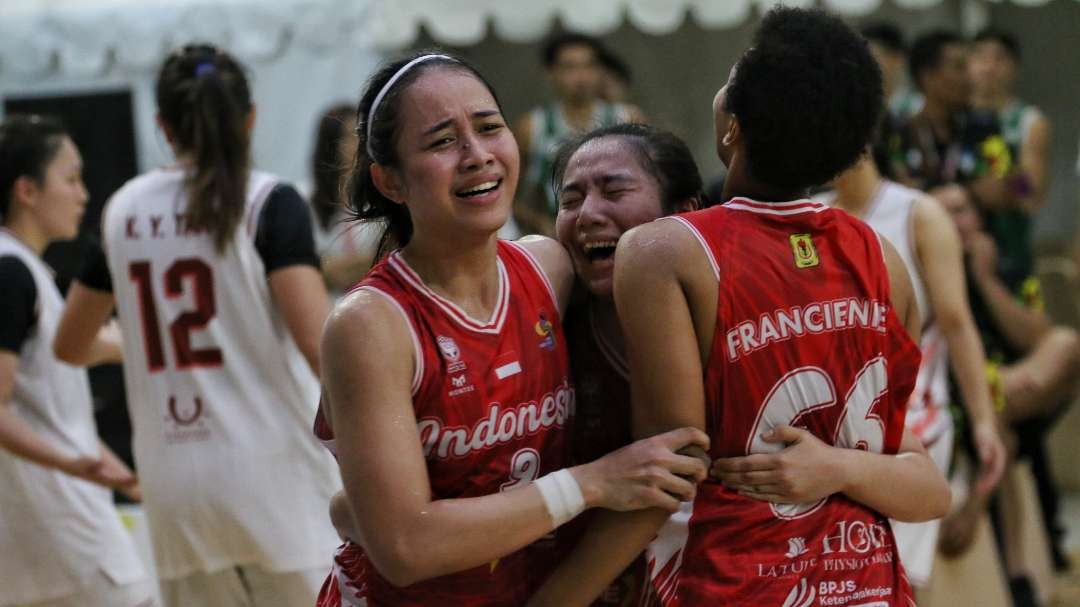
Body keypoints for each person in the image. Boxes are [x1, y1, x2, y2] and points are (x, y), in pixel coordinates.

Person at [529, 9, 951, 606]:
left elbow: (663, 475)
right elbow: (923, 482)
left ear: (732, 127)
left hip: (732, 583)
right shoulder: (882, 257)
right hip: (865, 586)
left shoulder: (662, 251)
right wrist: (839, 467)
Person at [315, 52, 708, 607]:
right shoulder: (369, 324)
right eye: (441, 141)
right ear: (389, 181)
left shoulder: (549, 267)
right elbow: (404, 547)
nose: (477, 156)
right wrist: (592, 483)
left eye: (488, 127)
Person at [52, 45, 341, 607]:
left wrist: (133, 346)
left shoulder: (123, 208)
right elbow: (321, 349)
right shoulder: (268, 200)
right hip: (277, 480)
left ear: (162, 127)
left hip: (174, 485)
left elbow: (71, 343)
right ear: (250, 117)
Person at [822, 153, 1006, 589]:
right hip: (833, 404)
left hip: (914, 404)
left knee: (890, 571)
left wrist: (983, 422)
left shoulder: (919, 213)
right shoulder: (813, 212)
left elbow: (958, 324)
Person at [0, 115, 153, 607]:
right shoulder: (10, 273)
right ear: (27, 190)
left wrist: (123, 477)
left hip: (42, 534)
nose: (83, 194)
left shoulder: (23, 270)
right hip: (64, 529)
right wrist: (75, 464)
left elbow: (41, 415)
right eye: (70, 179)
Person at [552, 122, 706, 606]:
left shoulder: (740, 318)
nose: (588, 214)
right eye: (570, 199)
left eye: (613, 190)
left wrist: (832, 466)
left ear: (685, 213)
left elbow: (919, 484)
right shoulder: (549, 322)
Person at [514, 34, 645, 237]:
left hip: (619, 235)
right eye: (570, 68)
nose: (581, 77)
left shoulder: (627, 118)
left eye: (589, 66)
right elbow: (510, 199)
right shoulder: (532, 127)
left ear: (600, 71)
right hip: (561, 239)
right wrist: (541, 224)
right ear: (551, 73)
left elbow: (649, 185)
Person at [969, 28, 1051, 289]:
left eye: (999, 59)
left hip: (1011, 252)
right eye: (981, 57)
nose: (989, 67)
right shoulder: (951, 116)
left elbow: (1030, 195)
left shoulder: (1029, 121)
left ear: (1014, 67)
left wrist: (996, 151)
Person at [308, 104, 383, 292]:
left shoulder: (382, 197)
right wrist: (370, 261)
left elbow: (393, 261)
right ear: (333, 143)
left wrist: (331, 267)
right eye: (353, 135)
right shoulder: (304, 201)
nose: (362, 143)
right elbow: (309, 272)